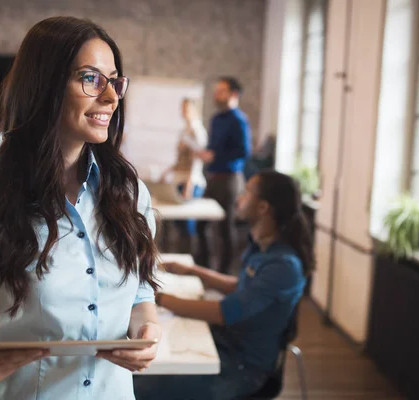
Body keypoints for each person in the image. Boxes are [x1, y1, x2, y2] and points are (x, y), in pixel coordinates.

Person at [0, 17, 162, 400]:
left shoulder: (129, 193)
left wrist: (146, 331)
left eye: (114, 80)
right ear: (44, 86)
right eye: (91, 79)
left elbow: (140, 296)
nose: (110, 97)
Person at [134, 170, 314, 400]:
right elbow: (243, 287)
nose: (239, 197)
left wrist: (156, 298)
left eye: (247, 193)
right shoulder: (263, 248)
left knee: (138, 388)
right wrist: (193, 271)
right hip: (226, 345)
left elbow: (224, 312)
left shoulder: (283, 265)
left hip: (242, 367)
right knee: (140, 371)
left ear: (263, 208)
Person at [195, 77, 252, 274]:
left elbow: (244, 151)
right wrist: (205, 154)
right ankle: (204, 268)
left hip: (230, 180)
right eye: (216, 90)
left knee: (225, 229)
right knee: (201, 224)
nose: (216, 94)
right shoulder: (216, 119)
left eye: (221, 91)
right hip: (213, 178)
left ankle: (224, 273)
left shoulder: (239, 120)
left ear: (233, 94)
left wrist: (216, 155)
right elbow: (213, 148)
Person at [160, 98, 208, 252]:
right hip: (179, 179)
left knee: (188, 223)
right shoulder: (184, 130)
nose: (183, 112)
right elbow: (181, 159)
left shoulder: (197, 130)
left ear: (195, 110)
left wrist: (189, 182)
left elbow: (197, 158)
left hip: (191, 182)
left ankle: (190, 259)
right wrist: (167, 172)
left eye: (186, 109)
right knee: (179, 223)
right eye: (182, 108)